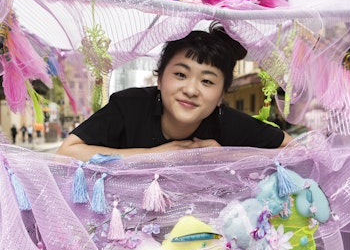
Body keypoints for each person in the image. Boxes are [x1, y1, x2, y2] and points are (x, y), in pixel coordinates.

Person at [57, 23, 292, 162]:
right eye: (180, 75)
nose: (190, 90)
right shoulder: (128, 107)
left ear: (221, 96)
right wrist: (152, 157)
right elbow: (67, 152)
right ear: (159, 79)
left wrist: (225, 157)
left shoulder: (227, 123)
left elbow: (292, 151)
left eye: (207, 81)